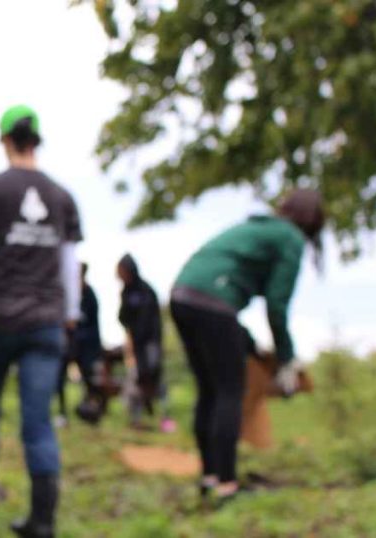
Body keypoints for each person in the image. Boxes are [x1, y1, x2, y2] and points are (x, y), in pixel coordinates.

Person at [0, 104, 82, 538]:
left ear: (5, 140)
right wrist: (73, 316)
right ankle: (43, 519)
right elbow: (69, 263)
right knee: (38, 419)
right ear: (36, 141)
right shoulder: (61, 197)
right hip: (45, 323)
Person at [169, 189, 325, 504]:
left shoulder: (260, 227)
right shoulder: (290, 238)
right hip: (215, 301)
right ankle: (227, 485)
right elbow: (277, 305)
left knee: (209, 390)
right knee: (230, 391)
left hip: (182, 295)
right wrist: (286, 360)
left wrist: (251, 346)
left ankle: (209, 477)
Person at [116, 254, 173, 432]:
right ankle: (136, 419)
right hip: (136, 344)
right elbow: (123, 317)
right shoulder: (126, 291)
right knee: (137, 379)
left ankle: (165, 419)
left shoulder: (146, 290)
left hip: (150, 343)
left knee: (155, 378)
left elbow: (151, 321)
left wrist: (149, 341)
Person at [57, 262, 103, 425]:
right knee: (60, 378)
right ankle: (62, 413)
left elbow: (94, 326)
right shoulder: (68, 295)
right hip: (69, 345)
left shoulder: (89, 295)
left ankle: (93, 414)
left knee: (89, 380)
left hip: (86, 347)